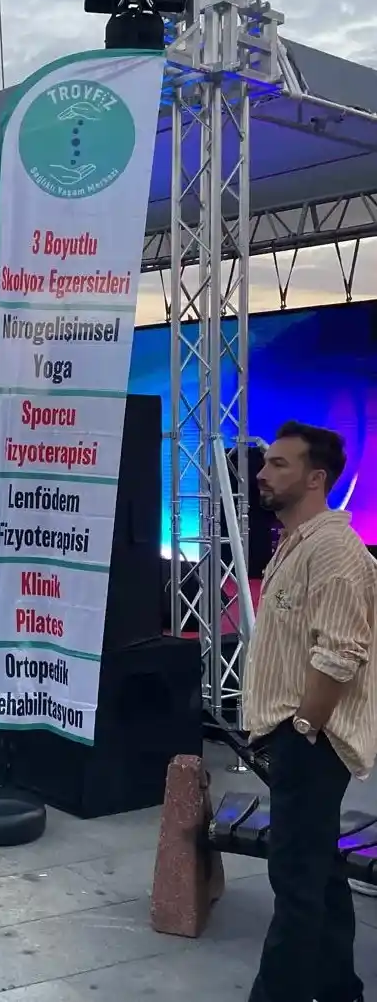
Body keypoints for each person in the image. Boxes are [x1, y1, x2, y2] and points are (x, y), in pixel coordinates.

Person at [244, 421, 377, 1002]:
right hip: (298, 736)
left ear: (316, 477)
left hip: (312, 742)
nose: (262, 473)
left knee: (295, 883)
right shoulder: (298, 543)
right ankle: (340, 989)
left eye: (279, 464)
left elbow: (341, 654)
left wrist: (302, 729)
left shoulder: (334, 551)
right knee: (318, 872)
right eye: (265, 462)